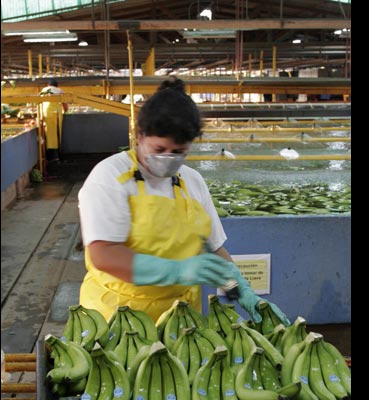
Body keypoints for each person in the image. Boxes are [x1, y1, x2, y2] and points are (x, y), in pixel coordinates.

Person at [77, 76, 290, 327]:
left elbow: (215, 247)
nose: (168, 158)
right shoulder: (110, 177)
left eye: (179, 152)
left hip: (182, 318)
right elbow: (103, 254)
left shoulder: (192, 181)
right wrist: (177, 271)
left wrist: (240, 287)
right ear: (139, 135)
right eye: (159, 149)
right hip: (119, 316)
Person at [39, 78, 68, 162]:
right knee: (57, 132)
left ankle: (49, 154)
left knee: (48, 132)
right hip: (56, 113)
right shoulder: (59, 90)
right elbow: (65, 105)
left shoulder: (44, 90)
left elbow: (39, 102)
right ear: (56, 85)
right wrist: (65, 110)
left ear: (48, 85)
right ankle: (55, 155)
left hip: (46, 112)